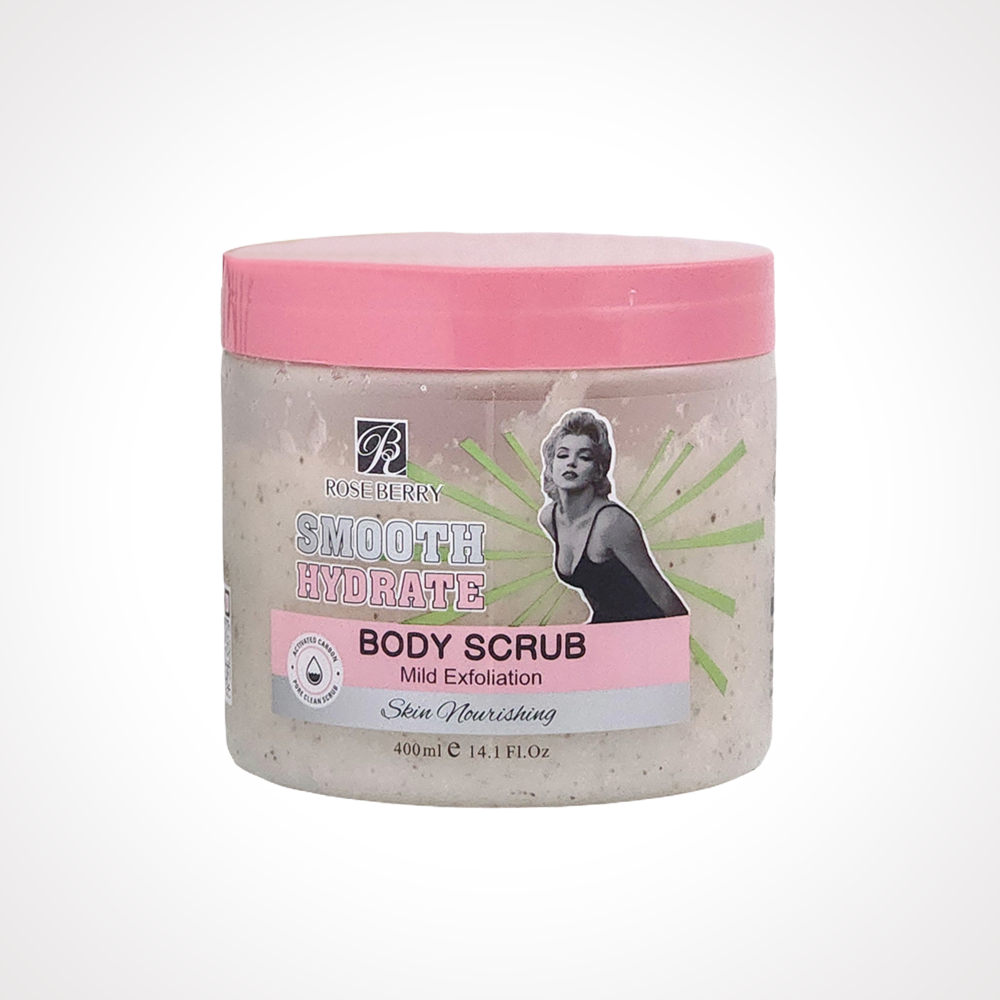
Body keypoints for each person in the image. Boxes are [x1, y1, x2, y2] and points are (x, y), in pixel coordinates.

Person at [539, 409, 688, 623]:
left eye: (584, 457)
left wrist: (683, 639)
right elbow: (593, 584)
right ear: (551, 465)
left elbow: (662, 594)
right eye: (562, 455)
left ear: (598, 470)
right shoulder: (550, 518)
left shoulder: (612, 523)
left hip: (645, 627)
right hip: (607, 627)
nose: (571, 463)